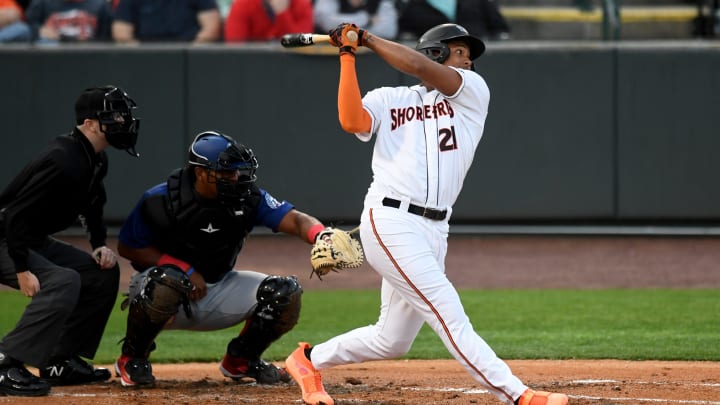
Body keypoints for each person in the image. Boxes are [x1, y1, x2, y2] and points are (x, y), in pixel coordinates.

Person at [283, 23, 569, 405]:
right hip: (390, 220)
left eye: (469, 53)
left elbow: (418, 67)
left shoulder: (472, 92)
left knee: (392, 339)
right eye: (460, 51)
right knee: (448, 312)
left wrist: (365, 38)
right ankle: (517, 395)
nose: (469, 59)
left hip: (435, 228)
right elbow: (352, 121)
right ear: (437, 51)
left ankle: (307, 359)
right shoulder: (389, 98)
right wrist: (348, 56)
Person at [113, 130, 329, 387]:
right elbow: (128, 246)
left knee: (285, 293)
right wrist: (183, 268)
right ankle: (132, 358)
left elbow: (295, 219)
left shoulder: (247, 197)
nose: (235, 178)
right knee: (168, 281)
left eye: (238, 171)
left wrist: (322, 235)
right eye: (226, 172)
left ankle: (241, 360)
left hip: (216, 287)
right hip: (157, 290)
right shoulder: (159, 200)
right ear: (200, 172)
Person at [0, 85, 141, 396]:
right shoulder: (63, 158)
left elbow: (93, 205)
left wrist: (98, 245)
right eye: (113, 116)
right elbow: (14, 216)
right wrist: (22, 269)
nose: (122, 121)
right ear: (89, 124)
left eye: (122, 115)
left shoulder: (94, 159)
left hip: (27, 237)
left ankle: (58, 361)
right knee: (62, 282)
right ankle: (6, 363)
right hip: (7, 237)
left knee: (100, 273)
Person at [112, 0, 221, 44]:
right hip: (147, 55)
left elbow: (211, 29)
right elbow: (121, 33)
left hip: (188, 52)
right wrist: (140, 54)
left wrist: (192, 52)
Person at [397, 0, 510, 41]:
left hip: (476, 60)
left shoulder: (480, 2)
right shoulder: (413, 5)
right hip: (433, 62)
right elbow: (405, 33)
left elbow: (499, 29)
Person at [24, 0, 113, 43]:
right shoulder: (42, 3)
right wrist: (39, 30)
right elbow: (27, 28)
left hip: (88, 57)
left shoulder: (100, 6)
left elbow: (105, 39)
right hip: (51, 57)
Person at [224, 0, 313, 42]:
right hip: (251, 68)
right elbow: (235, 49)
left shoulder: (302, 5)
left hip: (291, 68)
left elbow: (302, 47)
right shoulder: (242, 5)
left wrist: (282, 14)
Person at [313, 0, 398, 41]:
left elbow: (388, 30)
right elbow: (326, 23)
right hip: (330, 56)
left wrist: (345, 30)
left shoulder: (381, 2)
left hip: (370, 58)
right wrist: (366, 19)